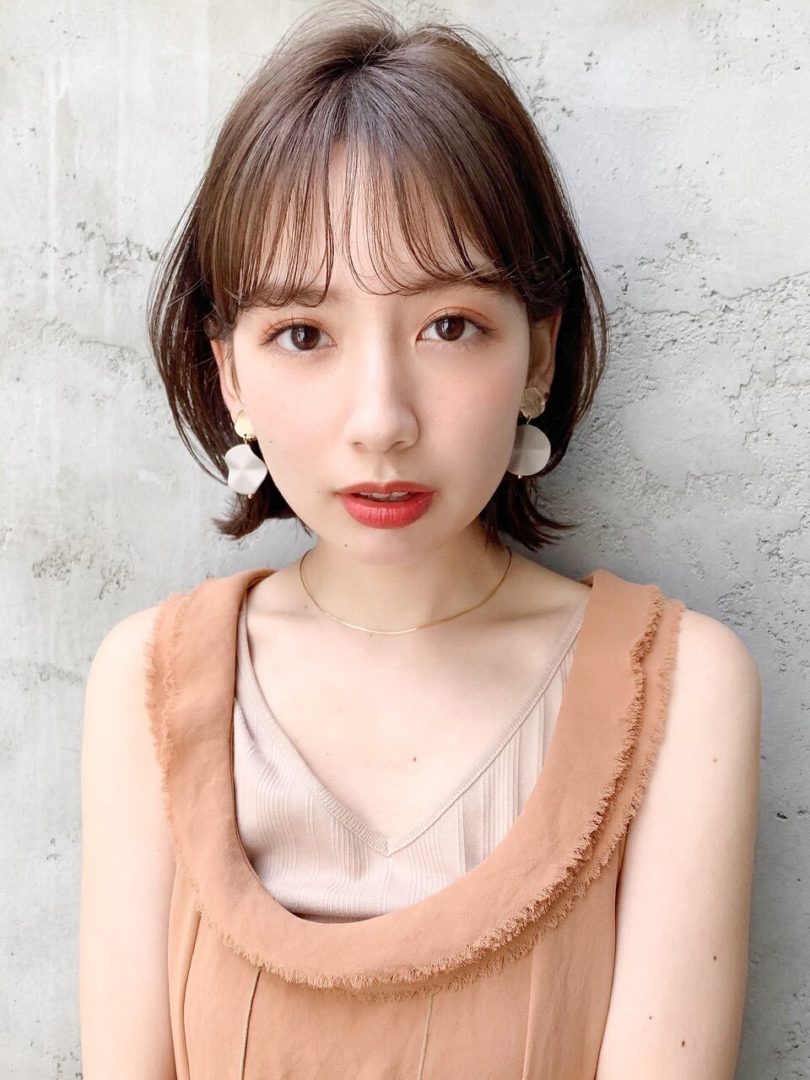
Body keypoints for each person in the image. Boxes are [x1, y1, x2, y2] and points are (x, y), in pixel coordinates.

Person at [79, 3, 762, 1077]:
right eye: (303, 334)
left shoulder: (679, 690)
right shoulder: (149, 685)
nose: (382, 420)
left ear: (539, 356)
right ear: (229, 375)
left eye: (450, 326)